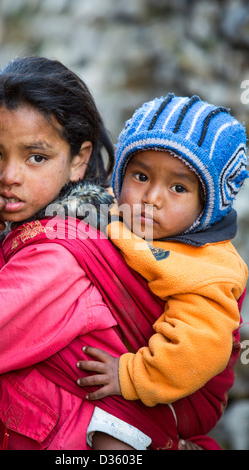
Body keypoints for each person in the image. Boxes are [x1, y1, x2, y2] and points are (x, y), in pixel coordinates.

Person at [0, 56, 213, 451]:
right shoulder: (81, 222)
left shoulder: (57, 257)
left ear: (78, 161)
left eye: (36, 157)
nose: (9, 176)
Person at [77, 94, 248, 447]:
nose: (152, 196)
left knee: (113, 436)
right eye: (140, 175)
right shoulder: (123, 212)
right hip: (154, 366)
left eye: (178, 188)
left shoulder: (207, 269)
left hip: (182, 390)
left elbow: (198, 349)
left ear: (207, 205)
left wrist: (130, 375)